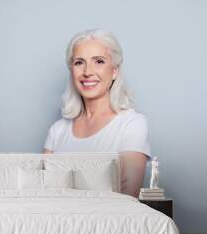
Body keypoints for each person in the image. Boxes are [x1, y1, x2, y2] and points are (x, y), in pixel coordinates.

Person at [43, 28, 151, 197]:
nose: (87, 72)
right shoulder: (58, 130)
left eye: (99, 61)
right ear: (71, 70)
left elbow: (128, 197)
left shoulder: (132, 124)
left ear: (114, 71)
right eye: (79, 62)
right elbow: (42, 191)